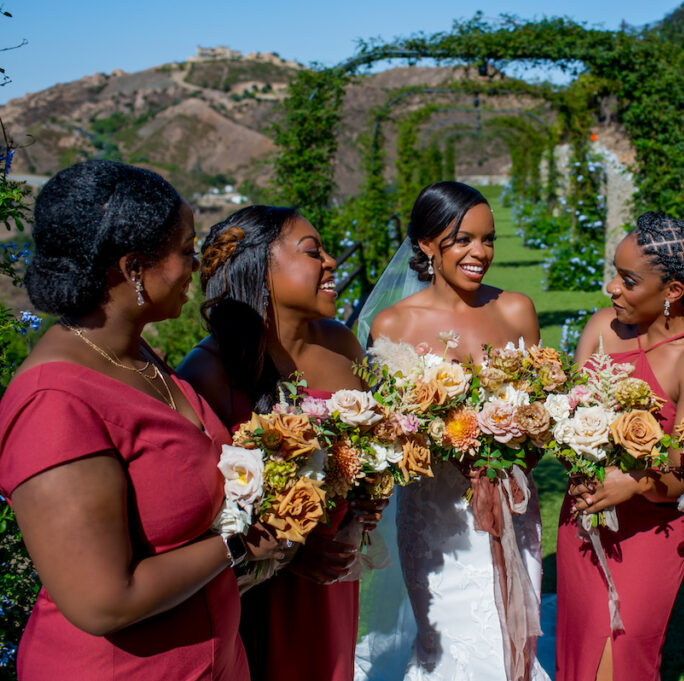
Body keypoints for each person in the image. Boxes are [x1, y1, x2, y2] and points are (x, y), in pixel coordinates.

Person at [0, 160, 282, 680]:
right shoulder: (54, 402)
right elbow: (103, 602)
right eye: (186, 251)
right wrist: (238, 542)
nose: (195, 266)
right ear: (133, 269)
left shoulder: (135, 355)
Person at [356, 180, 548, 681]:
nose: (479, 253)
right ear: (425, 245)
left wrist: (514, 446)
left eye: (487, 240)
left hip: (512, 508)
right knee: (449, 648)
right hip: (437, 523)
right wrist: (444, 442)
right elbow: (386, 435)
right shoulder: (393, 325)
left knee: (513, 645)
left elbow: (541, 418)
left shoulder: (516, 310)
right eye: (462, 240)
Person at [178, 205, 371, 681]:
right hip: (260, 589)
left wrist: (359, 521)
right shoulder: (210, 372)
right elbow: (202, 512)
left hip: (334, 578)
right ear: (259, 268)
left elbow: (375, 452)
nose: (331, 261)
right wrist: (289, 551)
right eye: (313, 252)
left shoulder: (342, 344)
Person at [559, 211, 684, 681]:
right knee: (580, 658)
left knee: (621, 660)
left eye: (627, 280)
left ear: (672, 291)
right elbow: (571, 418)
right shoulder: (601, 328)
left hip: (649, 532)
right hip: (582, 519)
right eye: (615, 272)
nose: (611, 288)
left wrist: (635, 483)